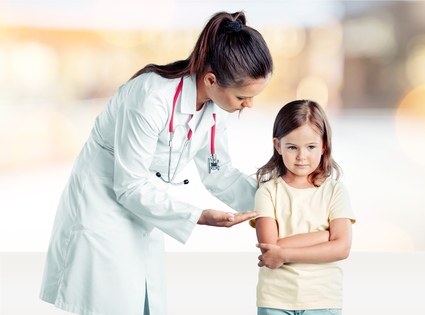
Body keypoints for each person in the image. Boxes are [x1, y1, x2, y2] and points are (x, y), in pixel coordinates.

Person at [39, 11, 273, 315]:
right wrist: (200, 217)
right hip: (101, 212)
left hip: (144, 211)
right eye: (243, 97)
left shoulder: (212, 109)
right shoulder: (151, 96)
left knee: (143, 302)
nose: (249, 105)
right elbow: (130, 185)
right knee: (112, 303)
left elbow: (221, 173)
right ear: (211, 79)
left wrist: (275, 197)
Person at [250, 100, 355, 315]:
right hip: (275, 299)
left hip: (323, 299)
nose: (301, 156)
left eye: (310, 147)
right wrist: (325, 236)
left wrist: (284, 253)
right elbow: (269, 248)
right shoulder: (268, 192)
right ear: (278, 145)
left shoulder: (335, 191)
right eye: (292, 147)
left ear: (324, 145)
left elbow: (342, 248)